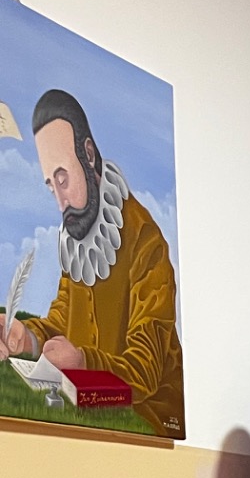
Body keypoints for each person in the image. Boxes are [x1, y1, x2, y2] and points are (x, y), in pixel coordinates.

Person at [3, 89, 183, 434]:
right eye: (50, 186)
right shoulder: (77, 237)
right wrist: (25, 336)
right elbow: (62, 320)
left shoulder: (145, 241)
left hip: (147, 422)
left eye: (63, 178)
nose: (60, 201)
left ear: (88, 154)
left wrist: (82, 362)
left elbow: (145, 371)